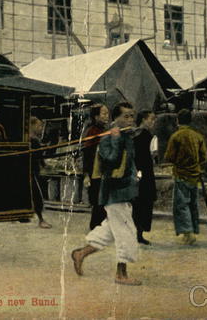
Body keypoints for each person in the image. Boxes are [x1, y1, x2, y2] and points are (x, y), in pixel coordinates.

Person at [71, 102, 142, 286]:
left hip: (125, 190)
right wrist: (117, 139)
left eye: (132, 116)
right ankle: (121, 274)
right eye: (125, 116)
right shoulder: (108, 138)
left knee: (110, 230)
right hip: (114, 192)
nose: (130, 120)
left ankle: (81, 253)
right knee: (126, 231)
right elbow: (110, 161)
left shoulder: (126, 136)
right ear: (115, 118)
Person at [164, 109, 207, 246]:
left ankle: (188, 233)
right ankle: (193, 230)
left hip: (181, 174)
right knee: (193, 204)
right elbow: (204, 157)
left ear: (178, 121)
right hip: (195, 175)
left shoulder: (176, 137)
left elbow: (169, 157)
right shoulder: (198, 136)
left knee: (182, 205)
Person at [82, 103, 109, 230]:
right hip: (95, 171)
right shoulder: (92, 131)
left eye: (107, 113)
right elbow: (87, 154)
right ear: (96, 116)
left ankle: (99, 227)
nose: (106, 116)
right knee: (98, 201)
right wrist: (86, 174)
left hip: (103, 170)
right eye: (103, 113)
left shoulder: (104, 130)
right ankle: (95, 228)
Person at [132, 110, 158, 245]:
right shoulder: (142, 134)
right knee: (143, 203)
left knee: (141, 203)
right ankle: (138, 234)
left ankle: (138, 233)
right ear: (143, 119)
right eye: (151, 119)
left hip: (142, 171)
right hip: (143, 173)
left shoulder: (142, 134)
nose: (153, 122)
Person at [30, 116, 52, 229]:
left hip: (32, 170)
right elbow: (39, 158)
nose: (40, 129)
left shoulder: (31, 139)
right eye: (38, 126)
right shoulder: (33, 140)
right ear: (32, 126)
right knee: (37, 194)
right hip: (32, 171)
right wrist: (45, 165)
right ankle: (41, 220)